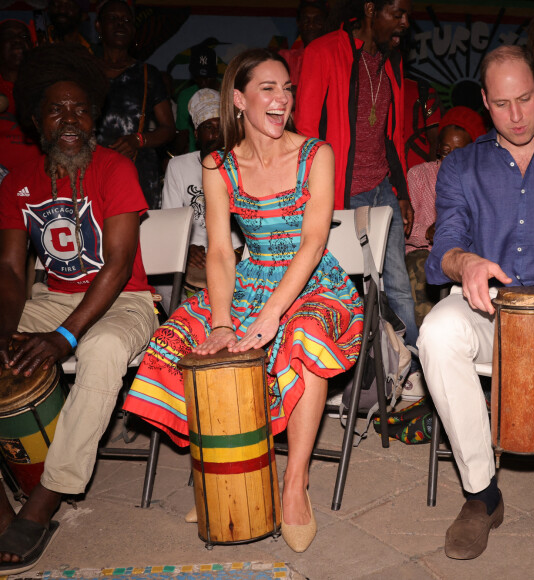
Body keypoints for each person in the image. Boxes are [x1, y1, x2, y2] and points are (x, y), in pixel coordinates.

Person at [123, 48, 363, 553]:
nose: (282, 99)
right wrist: (221, 321)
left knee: (305, 337)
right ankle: (225, 474)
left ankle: (293, 486)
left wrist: (272, 314)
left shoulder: (316, 153)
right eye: (268, 89)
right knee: (179, 339)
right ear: (239, 98)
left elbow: (314, 242)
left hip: (314, 281)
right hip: (250, 273)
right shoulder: (219, 165)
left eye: (287, 88)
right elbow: (219, 253)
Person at [417, 45, 534, 560]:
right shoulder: (462, 165)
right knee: (436, 333)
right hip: (490, 306)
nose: (516, 116)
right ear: (485, 101)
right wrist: (465, 263)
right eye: (503, 103)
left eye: (527, 99)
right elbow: (443, 247)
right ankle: (482, 496)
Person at [0, 43, 157, 573]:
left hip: (125, 299)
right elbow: (11, 271)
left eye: (80, 109)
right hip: (51, 296)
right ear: (35, 121)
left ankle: (46, 499)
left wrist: (63, 337)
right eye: (55, 110)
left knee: (104, 349)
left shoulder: (114, 169)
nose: (69, 120)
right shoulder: (18, 180)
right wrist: (5, 329)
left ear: (93, 116)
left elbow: (116, 267)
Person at [294, 0, 424, 401]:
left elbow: (393, 133)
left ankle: (416, 370)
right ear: (370, 9)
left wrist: (401, 192)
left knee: (398, 284)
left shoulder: (391, 61)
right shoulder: (323, 52)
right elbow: (306, 129)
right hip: (336, 189)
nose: (405, 23)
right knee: (336, 284)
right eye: (397, 13)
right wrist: (312, 198)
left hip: (381, 186)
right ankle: (337, 376)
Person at [405, 106, 485, 329]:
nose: (451, 157)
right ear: (439, 147)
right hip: (423, 251)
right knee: (420, 268)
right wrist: (427, 232)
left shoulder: (480, 181)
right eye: (447, 149)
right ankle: (423, 341)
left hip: (463, 253)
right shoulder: (419, 174)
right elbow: (406, 228)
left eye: (459, 151)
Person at [161, 87, 243, 295]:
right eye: (209, 127)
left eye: (221, 127)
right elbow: (169, 220)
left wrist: (242, 251)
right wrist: (185, 249)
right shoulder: (178, 167)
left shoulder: (244, 163)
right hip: (196, 253)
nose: (216, 134)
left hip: (237, 250)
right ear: (197, 134)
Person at [95, 0, 176, 209]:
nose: (121, 24)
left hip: (137, 168)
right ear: (98, 27)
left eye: (127, 20)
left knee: (139, 237)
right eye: (113, 19)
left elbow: (168, 129)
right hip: (91, 167)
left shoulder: (148, 74)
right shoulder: (83, 70)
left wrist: (138, 140)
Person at [0, 19, 39, 173]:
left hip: (38, 177)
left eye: (24, 37)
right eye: (8, 36)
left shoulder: (47, 86)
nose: (17, 40)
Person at [174, 41, 221, 155]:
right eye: (198, 77)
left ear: (215, 74)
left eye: (207, 77)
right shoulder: (186, 96)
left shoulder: (230, 93)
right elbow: (183, 133)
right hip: (196, 158)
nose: (203, 82)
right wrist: (174, 157)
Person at [279, 0, 328, 91]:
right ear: (298, 23)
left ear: (326, 23)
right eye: (306, 20)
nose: (311, 26)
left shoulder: (335, 58)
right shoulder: (285, 57)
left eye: (317, 21)